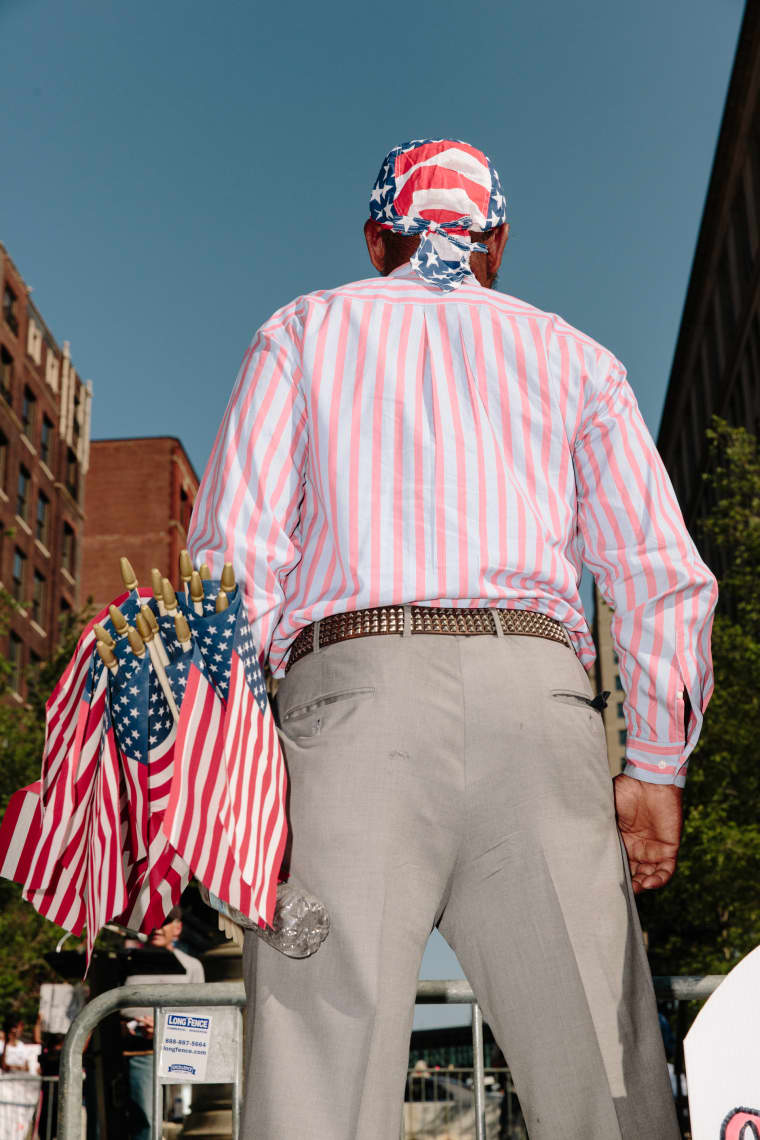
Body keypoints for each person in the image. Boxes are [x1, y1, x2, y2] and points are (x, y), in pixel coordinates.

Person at [187, 137, 718, 1139]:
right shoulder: (576, 358)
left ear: (376, 237)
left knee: (318, 1090)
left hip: (348, 713)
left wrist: (224, 761)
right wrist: (652, 759)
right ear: (498, 243)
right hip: (541, 705)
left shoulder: (302, 331)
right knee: (602, 1086)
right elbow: (659, 575)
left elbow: (231, 568)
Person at [121, 908, 204, 1140]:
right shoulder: (124, 962)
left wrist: (162, 1029)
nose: (157, 926)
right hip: (127, 1055)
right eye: (151, 920)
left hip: (176, 1055)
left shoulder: (192, 966)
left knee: (157, 1121)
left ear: (177, 927)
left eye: (164, 921)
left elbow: (200, 1017)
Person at [0, 1016, 41, 1140]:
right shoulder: (2, 1045)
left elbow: (26, 1067)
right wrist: (7, 1042)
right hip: (5, 1090)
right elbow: (4, 1065)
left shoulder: (22, 1046)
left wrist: (17, 1068)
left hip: (20, 1091)